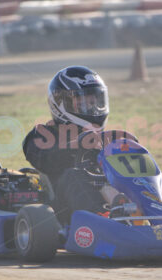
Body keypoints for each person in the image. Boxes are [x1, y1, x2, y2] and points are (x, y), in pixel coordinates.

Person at [23, 66, 113, 224]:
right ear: (61, 103)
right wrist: (77, 144)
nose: (91, 107)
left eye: (93, 101)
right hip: (62, 206)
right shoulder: (42, 135)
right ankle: (101, 220)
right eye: (82, 101)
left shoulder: (103, 138)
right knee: (73, 175)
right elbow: (46, 160)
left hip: (108, 191)